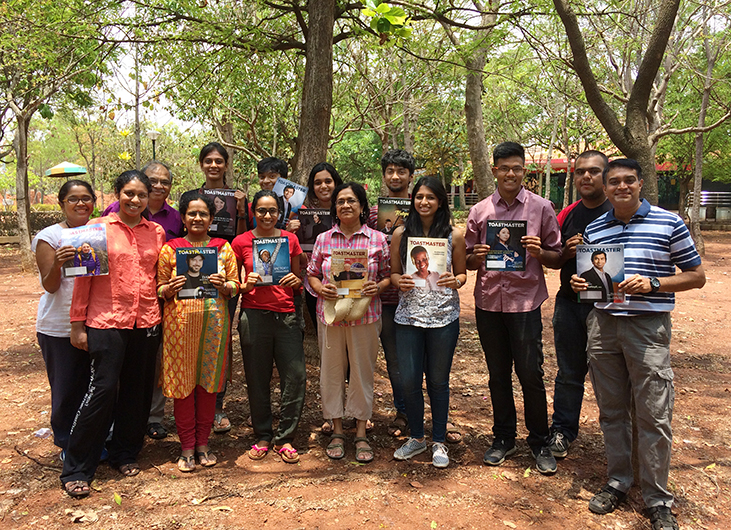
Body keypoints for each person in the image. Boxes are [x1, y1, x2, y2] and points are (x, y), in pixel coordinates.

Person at [570, 158, 705, 530]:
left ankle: (658, 498)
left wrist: (655, 284)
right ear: (606, 186)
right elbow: (593, 278)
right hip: (603, 326)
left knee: (653, 414)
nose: (621, 187)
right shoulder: (597, 227)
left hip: (648, 328)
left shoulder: (669, 222)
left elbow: (697, 276)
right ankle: (618, 481)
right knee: (612, 411)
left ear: (641, 183)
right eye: (614, 182)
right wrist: (581, 285)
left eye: (629, 180)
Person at [61, 170, 166, 498]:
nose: (135, 200)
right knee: (102, 390)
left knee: (138, 390)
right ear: (117, 194)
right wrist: (77, 324)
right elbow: (83, 279)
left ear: (149, 198)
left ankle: (125, 452)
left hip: (147, 320)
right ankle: (78, 465)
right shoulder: (96, 230)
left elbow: (157, 274)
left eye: (141, 195)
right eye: (129, 193)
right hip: (106, 321)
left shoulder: (157, 232)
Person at [465, 141, 562, 475]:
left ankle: (539, 441)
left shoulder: (541, 208)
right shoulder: (479, 212)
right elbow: (465, 260)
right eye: (504, 167)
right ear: (494, 170)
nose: (510, 173)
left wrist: (539, 253)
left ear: (524, 170)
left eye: (516, 168)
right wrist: (474, 258)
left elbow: (557, 256)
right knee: (497, 375)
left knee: (531, 373)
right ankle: (503, 438)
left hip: (525, 303)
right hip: (489, 303)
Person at [157, 191, 240, 472]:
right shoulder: (171, 249)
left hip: (213, 328)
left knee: (207, 385)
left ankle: (203, 444)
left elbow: (235, 286)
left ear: (211, 218)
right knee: (183, 387)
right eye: (191, 213)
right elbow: (158, 288)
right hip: (178, 329)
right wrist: (169, 288)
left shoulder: (222, 248)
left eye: (203, 213)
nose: (197, 218)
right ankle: (187, 447)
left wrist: (224, 285)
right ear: (182, 217)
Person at [308, 183, 391, 463]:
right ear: (335, 207)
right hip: (331, 316)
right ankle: (337, 430)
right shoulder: (323, 239)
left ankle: (360, 432)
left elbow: (389, 275)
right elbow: (312, 274)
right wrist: (320, 289)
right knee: (331, 373)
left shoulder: (378, 239)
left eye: (352, 200)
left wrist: (377, 287)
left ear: (362, 206)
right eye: (341, 201)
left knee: (362, 373)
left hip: (365, 316)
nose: (346, 205)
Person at [102, 160, 183, 441]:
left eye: (164, 182)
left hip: (158, 304)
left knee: (150, 367)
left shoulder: (173, 220)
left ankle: (151, 420)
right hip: (115, 310)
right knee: (113, 373)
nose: (158, 186)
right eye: (153, 181)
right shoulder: (109, 218)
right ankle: (111, 425)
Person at [390, 177, 466, 468]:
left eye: (430, 197)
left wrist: (454, 280)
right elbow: (394, 273)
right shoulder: (401, 234)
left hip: (444, 318)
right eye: (419, 196)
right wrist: (401, 282)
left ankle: (439, 441)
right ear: (413, 200)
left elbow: (461, 275)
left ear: (440, 202)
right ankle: (417, 437)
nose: (424, 202)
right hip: (408, 318)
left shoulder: (454, 235)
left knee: (438, 381)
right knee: (409, 380)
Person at [546, 150, 612, 460]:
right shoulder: (567, 213)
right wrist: (565, 253)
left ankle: (616, 437)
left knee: (610, 375)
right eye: (581, 171)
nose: (586, 177)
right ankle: (562, 430)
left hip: (609, 310)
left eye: (594, 171)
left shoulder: (619, 211)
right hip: (569, 304)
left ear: (606, 176)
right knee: (569, 373)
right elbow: (554, 259)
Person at [232, 190, 305, 464]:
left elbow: (298, 280)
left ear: (279, 213)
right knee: (257, 378)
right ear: (253, 212)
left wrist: (296, 282)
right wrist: (245, 285)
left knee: (295, 377)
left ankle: (285, 438)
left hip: (286, 316)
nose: (267, 215)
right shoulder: (241, 242)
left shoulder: (290, 240)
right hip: (254, 316)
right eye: (261, 210)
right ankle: (263, 435)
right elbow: (234, 283)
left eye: (272, 210)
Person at [32, 180, 96, 461]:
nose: (80, 204)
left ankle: (95, 439)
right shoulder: (50, 236)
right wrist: (58, 263)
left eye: (86, 198)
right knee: (67, 387)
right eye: (73, 199)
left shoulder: (99, 232)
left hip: (97, 321)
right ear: (61, 204)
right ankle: (68, 444)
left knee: (95, 386)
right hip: (58, 325)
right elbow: (50, 285)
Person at [195, 142, 247, 434]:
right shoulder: (193, 198)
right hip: (194, 271)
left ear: (226, 165)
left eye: (219, 161)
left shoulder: (239, 198)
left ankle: (217, 407)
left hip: (226, 274)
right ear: (201, 165)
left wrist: (241, 208)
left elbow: (240, 241)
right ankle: (193, 405)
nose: (214, 166)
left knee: (220, 340)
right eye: (208, 161)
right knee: (194, 335)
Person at [365, 149, 412, 439]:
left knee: (402, 360)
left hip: (407, 298)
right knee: (372, 359)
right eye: (390, 171)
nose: (395, 176)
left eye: (401, 171)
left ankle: (405, 412)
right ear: (383, 176)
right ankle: (362, 413)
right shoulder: (371, 214)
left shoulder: (422, 208)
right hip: (373, 298)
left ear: (411, 175)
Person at [302, 163, 343, 338]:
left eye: (328, 181)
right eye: (318, 183)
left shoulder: (348, 212)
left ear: (336, 183)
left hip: (348, 282)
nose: (323, 186)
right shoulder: (304, 216)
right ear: (312, 187)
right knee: (327, 336)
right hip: (315, 287)